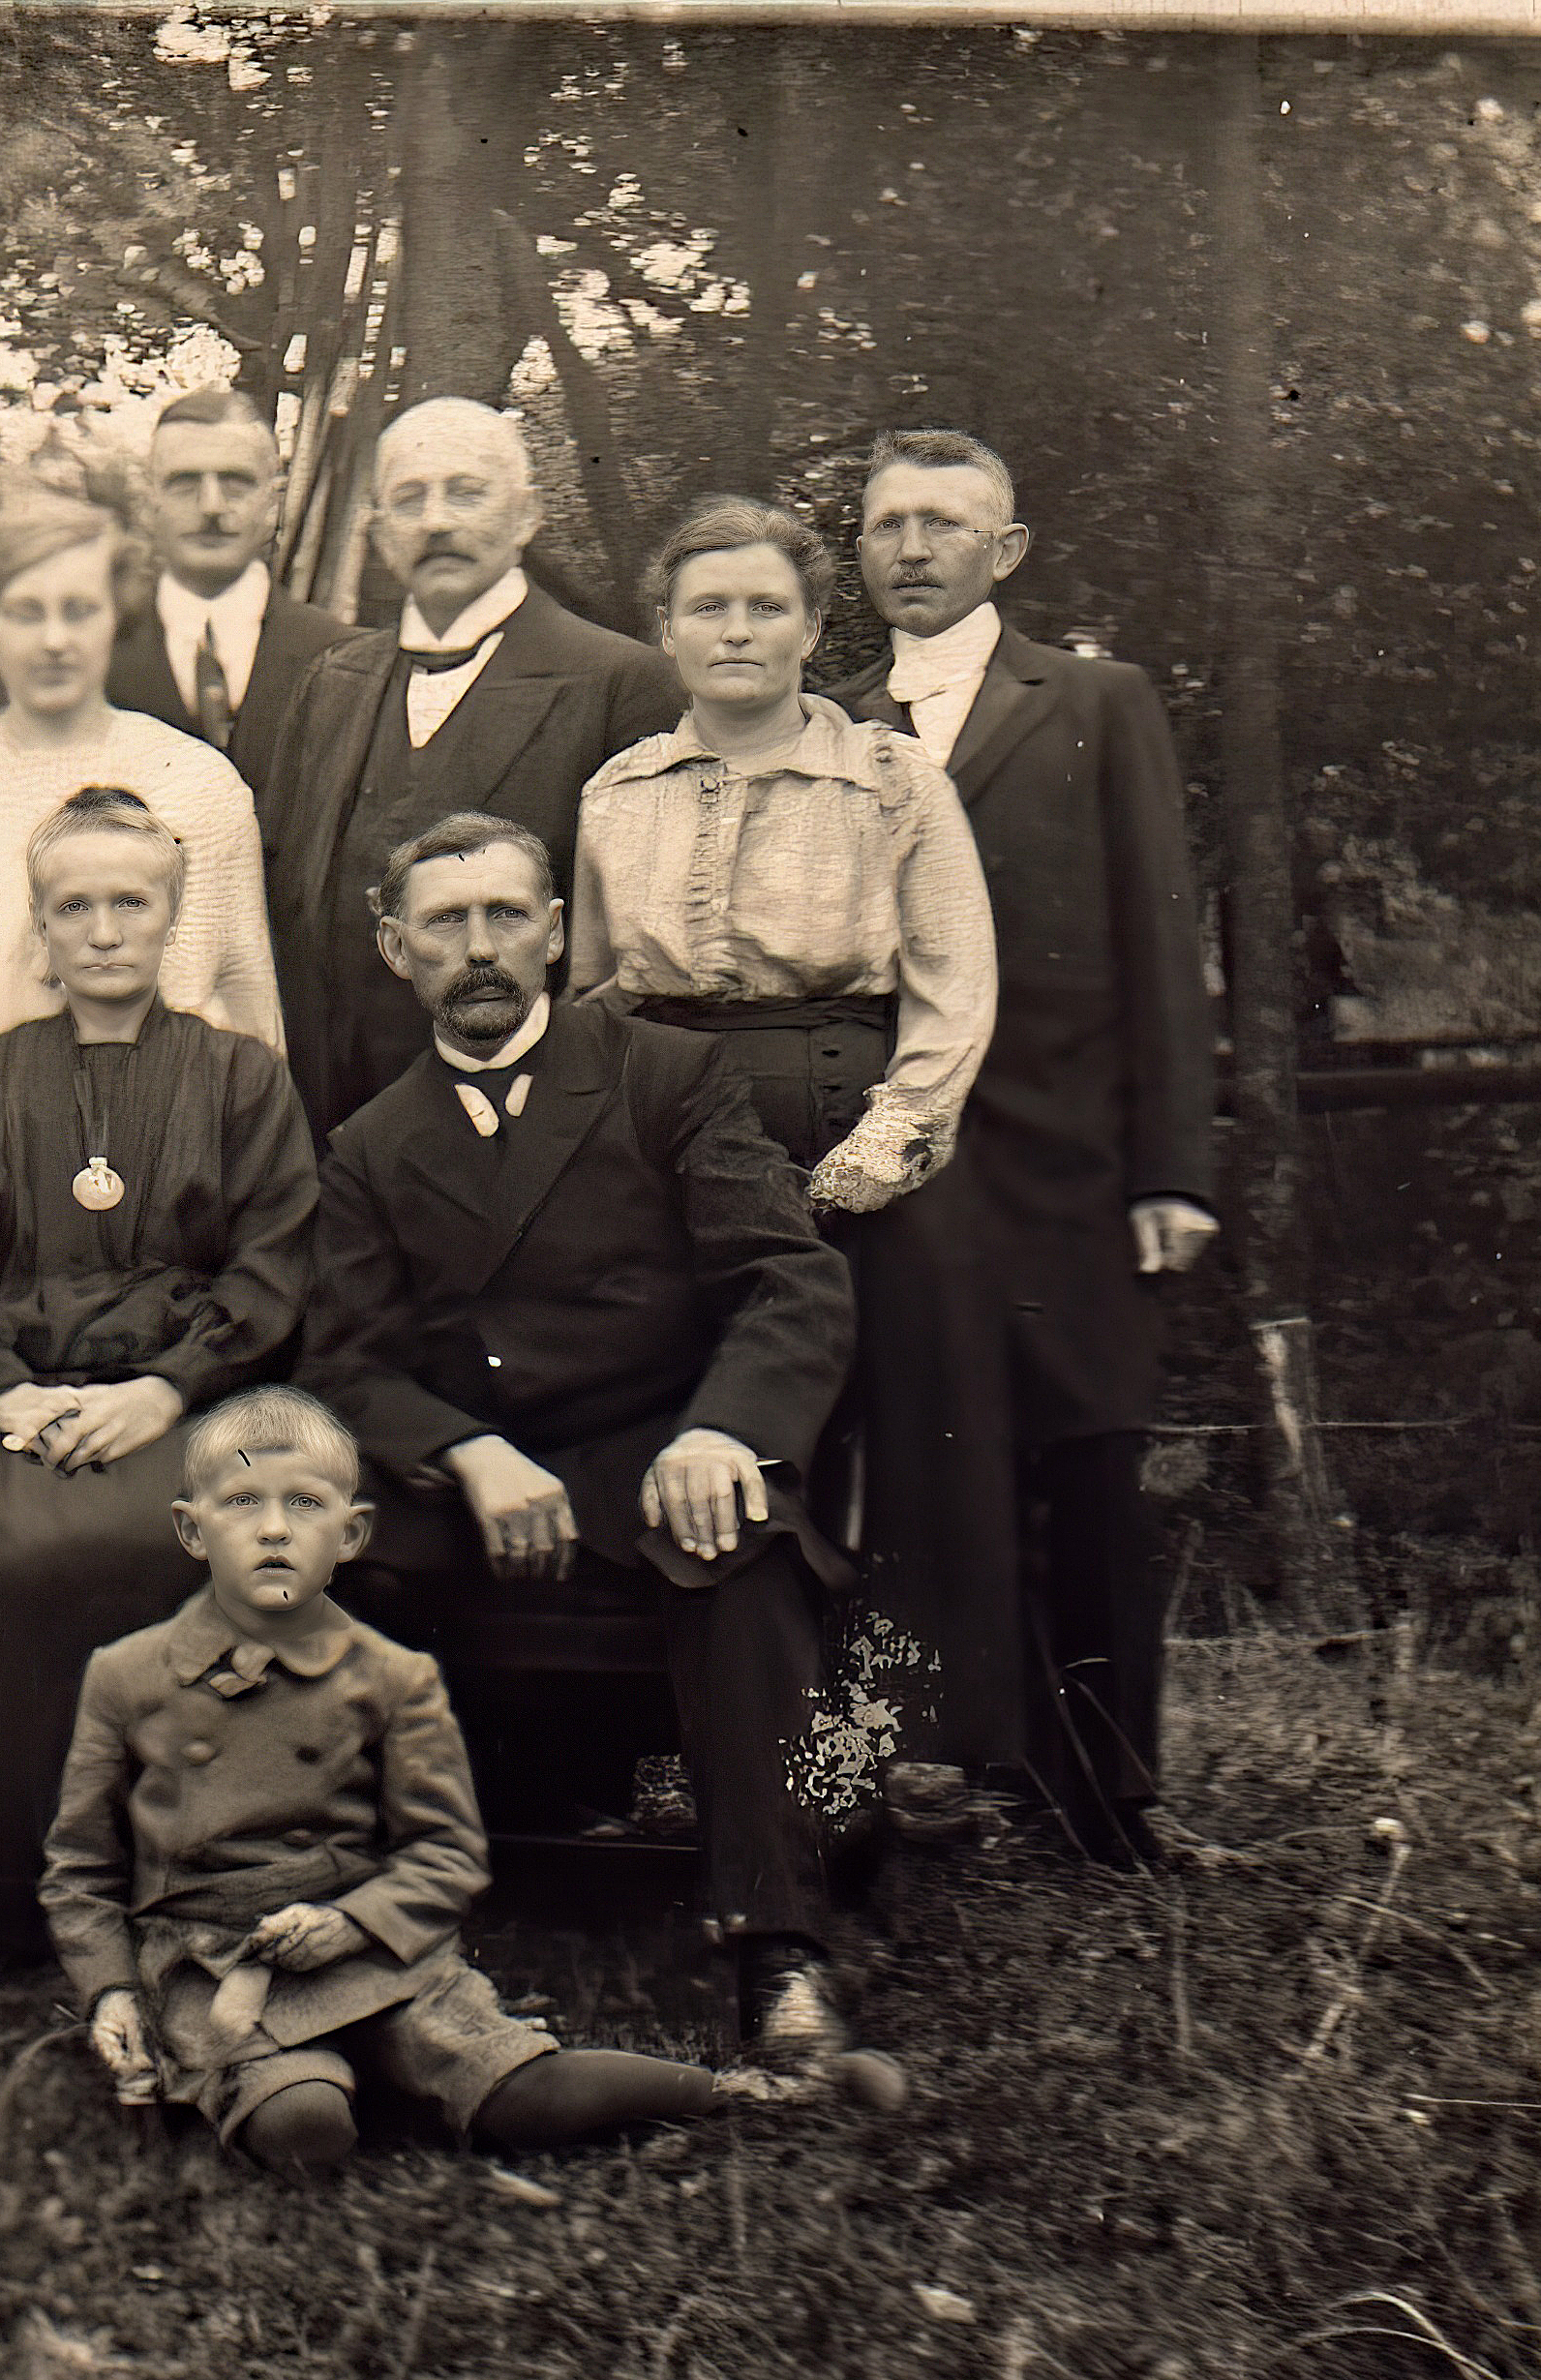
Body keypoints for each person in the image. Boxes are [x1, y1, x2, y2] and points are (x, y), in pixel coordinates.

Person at [308, 812, 903, 2088]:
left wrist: (722, 1431)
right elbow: (345, 1360)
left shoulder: (663, 1077)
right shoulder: (367, 1144)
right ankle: (394, 1929)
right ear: (393, 949)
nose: (479, 950)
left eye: (505, 917)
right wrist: (463, 1450)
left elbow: (791, 1286)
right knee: (350, 1565)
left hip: (660, 1444)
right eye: (445, 924)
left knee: (729, 1548)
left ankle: (777, 1943)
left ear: (556, 931)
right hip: (491, 1468)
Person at [45, 1388, 759, 2174]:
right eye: (242, 1502)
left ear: (349, 1534)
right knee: (302, 2126)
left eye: (305, 1504)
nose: (274, 1528)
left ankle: (738, 2092)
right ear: (191, 1528)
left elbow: (444, 1852)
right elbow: (80, 1869)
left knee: (518, 2092)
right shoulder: (127, 1675)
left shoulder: (392, 1677)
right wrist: (110, 1991)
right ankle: (344, 2087)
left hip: (367, 1948)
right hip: (211, 1962)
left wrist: (352, 1923)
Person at [571, 496, 1008, 1773]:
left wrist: (886, 1144)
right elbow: (593, 987)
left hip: (836, 1121)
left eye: (768, 605)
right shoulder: (617, 791)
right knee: (690, 1414)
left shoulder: (887, 778)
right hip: (661, 1127)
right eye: (708, 607)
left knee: (861, 1433)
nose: (739, 631)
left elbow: (952, 980)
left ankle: (875, 1755)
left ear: (816, 625)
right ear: (663, 631)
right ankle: (706, 1746)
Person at [832, 428, 1219, 1860]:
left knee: (1087, 1472)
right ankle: (925, 1776)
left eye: (944, 523)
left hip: (1067, 1161)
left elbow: (1159, 943)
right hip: (903, 1170)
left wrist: (1172, 1168)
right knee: (923, 1472)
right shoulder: (832, 721)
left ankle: (1117, 1798)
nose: (912, 549)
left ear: (1008, 551)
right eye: (886, 525)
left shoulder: (1095, 702)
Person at [0, 787, 316, 1929]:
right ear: (40, 928)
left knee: (147, 1535)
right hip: (0, 1398)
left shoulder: (240, 1077)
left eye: (129, 903)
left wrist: (163, 1392)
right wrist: (7, 1392)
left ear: (170, 917)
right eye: (74, 906)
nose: (103, 930)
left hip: (183, 1403)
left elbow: (271, 1264)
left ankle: (172, 1873)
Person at [261, 401, 681, 1137]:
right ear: (377, 529)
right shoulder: (330, 680)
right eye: (408, 497)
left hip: (528, 1130)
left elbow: (639, 953)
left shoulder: (622, 682)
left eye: (464, 491)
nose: (434, 520)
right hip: (331, 1129)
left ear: (526, 515)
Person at [0, 496, 279, 1100]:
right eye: (25, 612)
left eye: (80, 610)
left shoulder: (198, 783)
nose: (55, 639)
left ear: (116, 617)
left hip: (167, 1138)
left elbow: (251, 1006)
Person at [107, 389, 351, 814]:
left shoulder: (341, 655)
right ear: (149, 502)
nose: (212, 506)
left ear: (273, 502)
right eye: (184, 483)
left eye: (236, 482)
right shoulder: (99, 652)